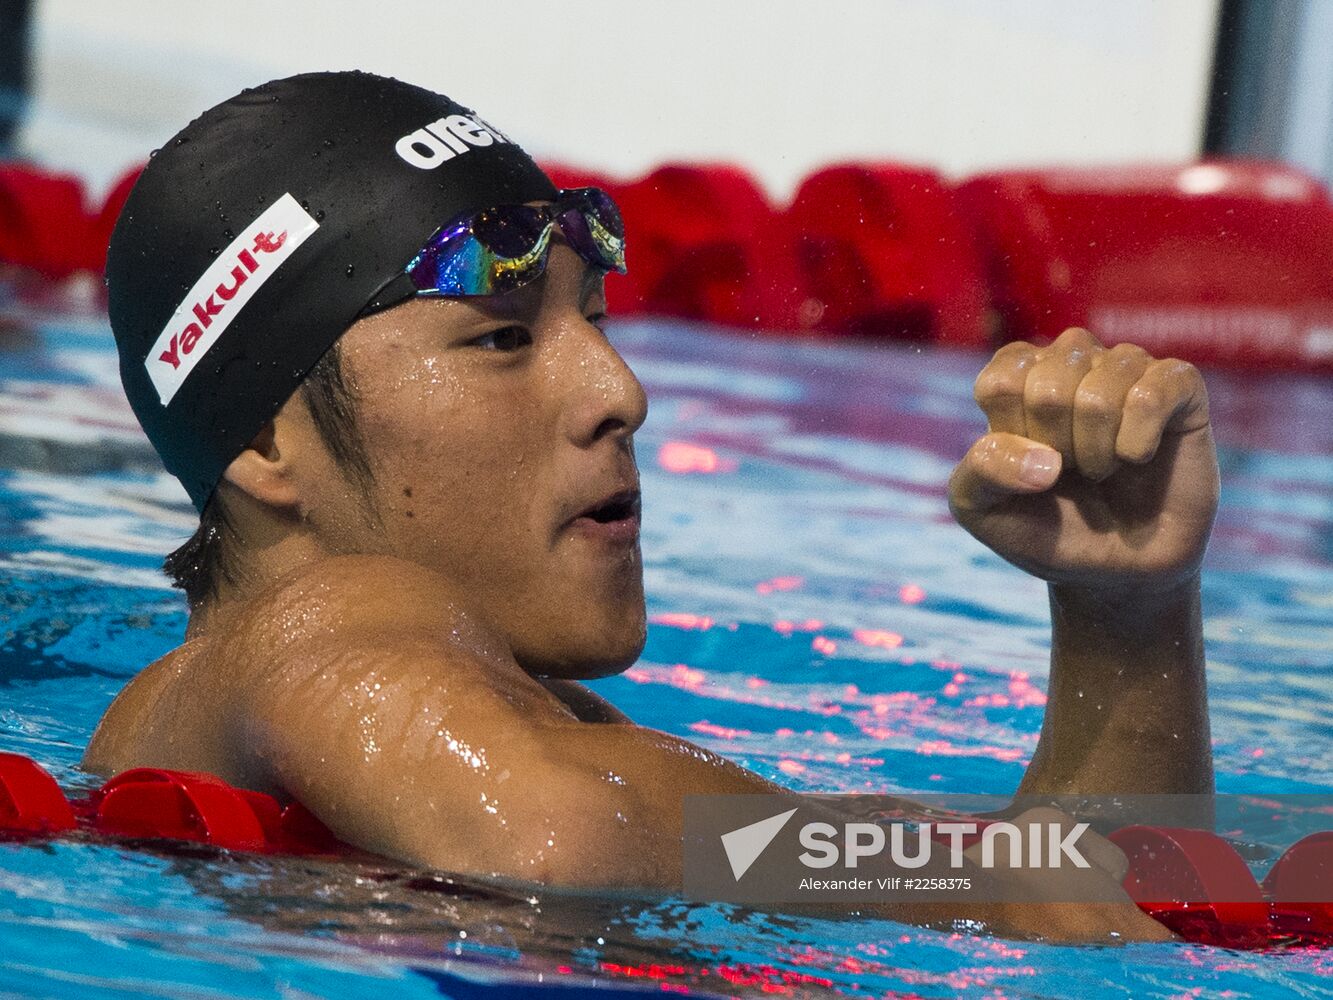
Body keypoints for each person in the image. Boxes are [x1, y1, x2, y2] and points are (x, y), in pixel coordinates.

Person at [84, 71, 1217, 944]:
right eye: (501, 336)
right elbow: (549, 831)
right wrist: (976, 877)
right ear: (264, 444)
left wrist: (1126, 609)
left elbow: (1117, 905)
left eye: (600, 319)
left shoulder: (512, 717)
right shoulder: (324, 622)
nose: (618, 392)